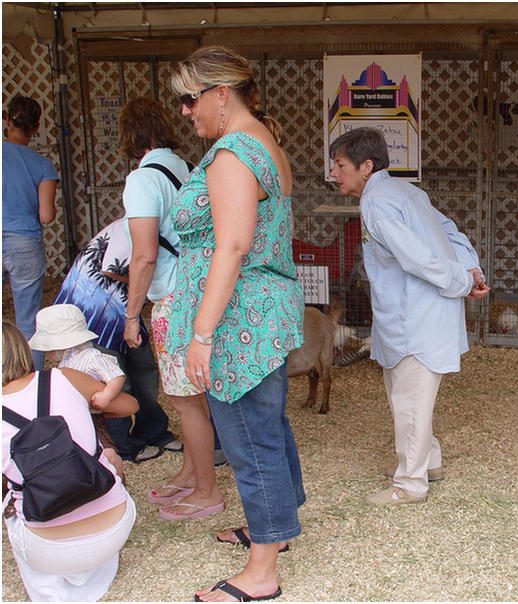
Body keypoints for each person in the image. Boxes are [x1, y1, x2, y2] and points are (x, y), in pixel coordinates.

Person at [168, 45, 305, 602]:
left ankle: (261, 572)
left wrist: (200, 335)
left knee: (249, 437)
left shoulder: (232, 153)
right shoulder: (263, 144)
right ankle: (273, 528)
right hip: (260, 313)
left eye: (188, 98)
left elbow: (231, 245)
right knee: (266, 426)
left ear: (219, 94)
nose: (184, 111)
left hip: (237, 321)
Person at [328, 126, 490, 505]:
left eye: (339, 165)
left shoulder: (379, 202)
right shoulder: (403, 191)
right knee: (408, 395)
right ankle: (426, 461)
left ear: (366, 166)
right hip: (414, 310)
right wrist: (470, 271)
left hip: (417, 314)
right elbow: (450, 231)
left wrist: (462, 280)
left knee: (410, 400)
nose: (333, 173)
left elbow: (417, 257)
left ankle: (410, 485)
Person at [117, 96, 223, 517]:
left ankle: (206, 490)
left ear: (129, 135)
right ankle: (190, 472)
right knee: (194, 395)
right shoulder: (184, 167)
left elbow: (143, 256)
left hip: (173, 298)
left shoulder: (143, 180)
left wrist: (131, 314)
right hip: (200, 287)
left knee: (184, 398)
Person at [2, 321, 138, 602]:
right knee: (106, 456)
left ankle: (52, 589)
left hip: (49, 551)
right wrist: (89, 405)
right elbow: (129, 406)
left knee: (13, 502)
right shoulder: (65, 377)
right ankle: (89, 569)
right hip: (115, 529)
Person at [54, 218, 181, 463]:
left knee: (144, 368)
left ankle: (153, 430)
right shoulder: (136, 224)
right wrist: (152, 284)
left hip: (124, 306)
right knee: (112, 375)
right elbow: (112, 268)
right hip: (96, 307)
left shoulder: (159, 226)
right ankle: (122, 444)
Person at [2, 95, 60, 371]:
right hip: (24, 242)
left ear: (7, 120)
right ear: (36, 128)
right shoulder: (42, 165)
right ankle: (30, 384)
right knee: (28, 322)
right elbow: (46, 216)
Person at [28, 303, 126, 453]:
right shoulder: (66, 361)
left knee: (101, 444)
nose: (46, 354)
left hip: (94, 414)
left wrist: (106, 395)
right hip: (77, 412)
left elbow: (116, 375)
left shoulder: (91, 357)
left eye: (48, 350)